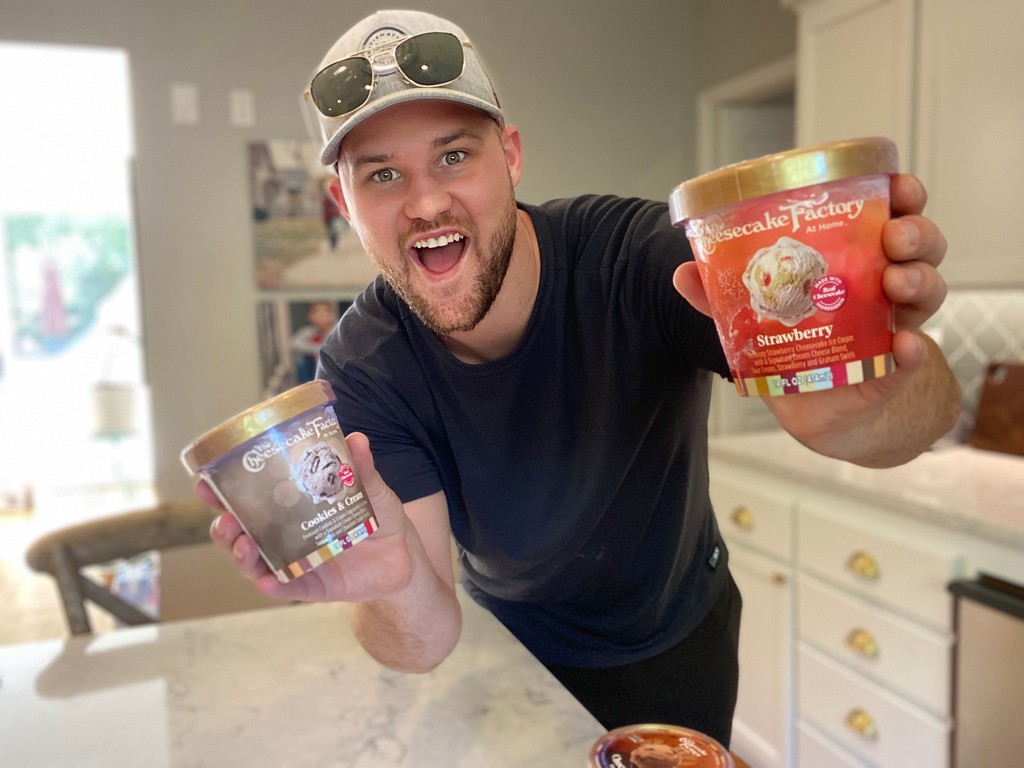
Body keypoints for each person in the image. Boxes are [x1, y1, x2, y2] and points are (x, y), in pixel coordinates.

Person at [201, 10, 961, 745]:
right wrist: (389, 580)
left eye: (455, 155)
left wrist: (870, 407)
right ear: (343, 204)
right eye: (383, 175)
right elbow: (424, 639)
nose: (426, 200)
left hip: (675, 635)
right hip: (511, 645)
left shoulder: (639, 261)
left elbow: (912, 425)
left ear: (513, 157)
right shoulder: (363, 368)